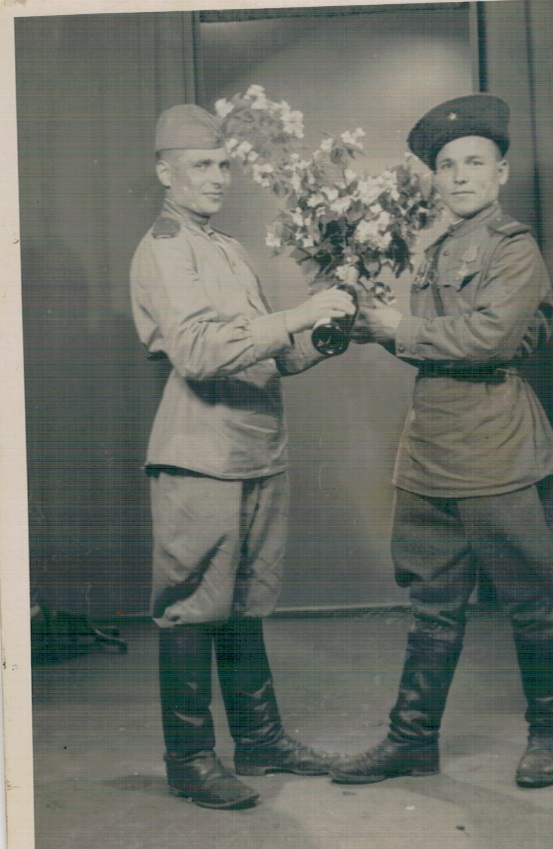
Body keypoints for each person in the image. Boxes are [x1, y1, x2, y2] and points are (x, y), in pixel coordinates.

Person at [330, 94, 553, 789]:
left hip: (494, 449)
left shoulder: (513, 247)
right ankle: (411, 740)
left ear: (501, 172)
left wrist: (398, 328)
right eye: (447, 165)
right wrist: (366, 323)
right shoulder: (434, 246)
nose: (460, 176)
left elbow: (489, 337)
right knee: (430, 603)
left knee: (530, 600)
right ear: (434, 177)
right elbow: (430, 342)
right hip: (429, 449)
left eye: (474, 162)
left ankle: (552, 736)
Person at [130, 104, 355, 810]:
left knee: (245, 602)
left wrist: (328, 329)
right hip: (200, 452)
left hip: (256, 447)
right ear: (165, 171)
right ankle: (189, 759)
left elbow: (269, 351)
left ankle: (259, 740)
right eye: (202, 165)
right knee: (193, 606)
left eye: (224, 164)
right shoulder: (166, 248)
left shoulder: (225, 247)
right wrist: (295, 315)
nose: (218, 177)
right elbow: (199, 353)